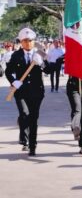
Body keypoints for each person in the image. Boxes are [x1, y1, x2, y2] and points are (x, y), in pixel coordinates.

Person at [5, 28, 46, 156]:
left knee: (33, 118)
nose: (28, 43)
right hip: (21, 91)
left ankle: (32, 145)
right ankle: (25, 139)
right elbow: (8, 71)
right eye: (25, 41)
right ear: (21, 42)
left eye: (30, 41)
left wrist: (43, 64)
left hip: (36, 92)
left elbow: (50, 69)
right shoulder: (16, 55)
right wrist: (13, 81)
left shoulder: (41, 54)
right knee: (24, 114)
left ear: (34, 41)